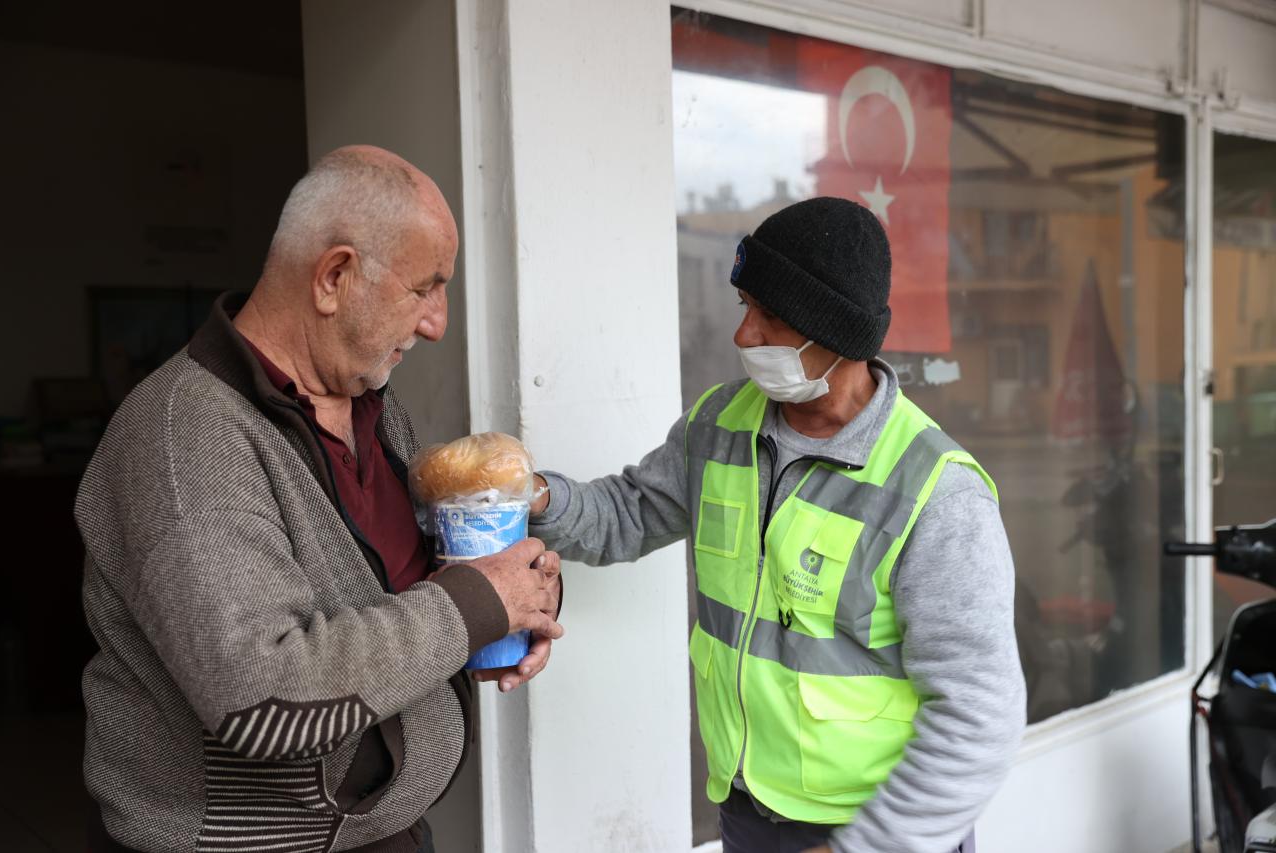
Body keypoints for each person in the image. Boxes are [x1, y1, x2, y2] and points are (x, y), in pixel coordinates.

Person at [76, 145, 563, 853]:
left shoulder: (372, 405)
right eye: (426, 286)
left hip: (380, 831)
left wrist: (517, 596)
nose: (438, 322)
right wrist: (476, 604)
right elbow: (260, 697)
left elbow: (411, 585)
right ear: (334, 277)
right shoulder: (184, 435)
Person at [528, 198, 1025, 853]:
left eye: (771, 317)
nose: (744, 336)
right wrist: (532, 496)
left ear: (835, 334)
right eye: (745, 308)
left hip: (875, 830)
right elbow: (628, 514)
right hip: (748, 814)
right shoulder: (720, 424)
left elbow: (978, 715)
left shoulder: (937, 492)